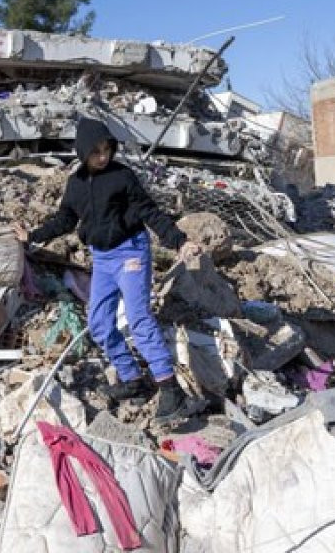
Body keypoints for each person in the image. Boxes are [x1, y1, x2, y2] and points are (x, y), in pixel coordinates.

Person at [14, 118, 201, 422]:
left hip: (130, 252)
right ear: (83, 152)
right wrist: (33, 237)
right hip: (101, 259)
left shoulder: (122, 177)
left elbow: (150, 212)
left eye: (107, 149)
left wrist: (179, 241)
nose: (103, 157)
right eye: (96, 152)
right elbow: (64, 220)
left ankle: (171, 390)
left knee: (139, 317)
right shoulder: (75, 185)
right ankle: (132, 379)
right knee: (99, 322)